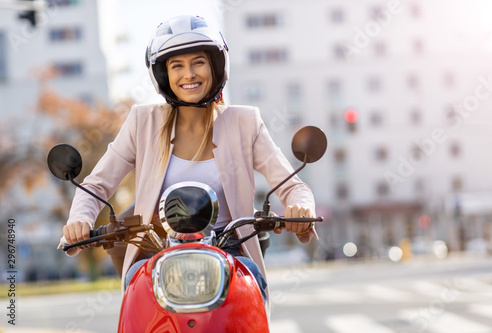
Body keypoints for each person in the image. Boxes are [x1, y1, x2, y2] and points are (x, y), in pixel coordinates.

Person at [58, 15, 318, 310]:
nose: (189, 74)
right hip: (157, 251)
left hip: (229, 249)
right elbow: (97, 183)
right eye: (176, 65)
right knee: (136, 296)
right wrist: (80, 218)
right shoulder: (142, 122)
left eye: (198, 62)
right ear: (163, 75)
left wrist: (301, 207)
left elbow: (291, 185)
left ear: (216, 66)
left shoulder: (245, 123)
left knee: (252, 287)